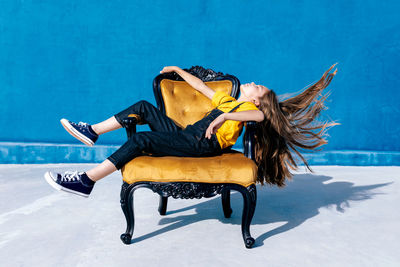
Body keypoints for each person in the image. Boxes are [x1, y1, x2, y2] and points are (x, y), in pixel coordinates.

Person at [44, 64, 339, 197]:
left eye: (257, 87)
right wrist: (178, 71)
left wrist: (223, 120)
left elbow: (259, 117)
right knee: (145, 107)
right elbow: (200, 86)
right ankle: (93, 131)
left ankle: (86, 181)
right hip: (188, 133)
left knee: (143, 138)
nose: (253, 83)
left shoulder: (252, 111)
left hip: (201, 145)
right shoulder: (229, 100)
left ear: (257, 98)